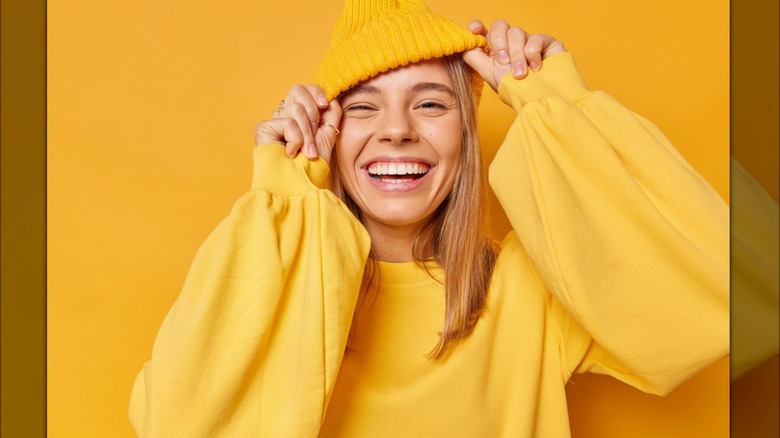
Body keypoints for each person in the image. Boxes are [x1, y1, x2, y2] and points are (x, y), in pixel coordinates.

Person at [129, 0, 729, 436]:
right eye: (363, 107)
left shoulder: (536, 285)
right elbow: (175, 425)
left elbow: (715, 302)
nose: (396, 129)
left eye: (431, 103)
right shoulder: (284, 286)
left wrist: (553, 102)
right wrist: (282, 194)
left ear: (466, 136)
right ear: (329, 139)